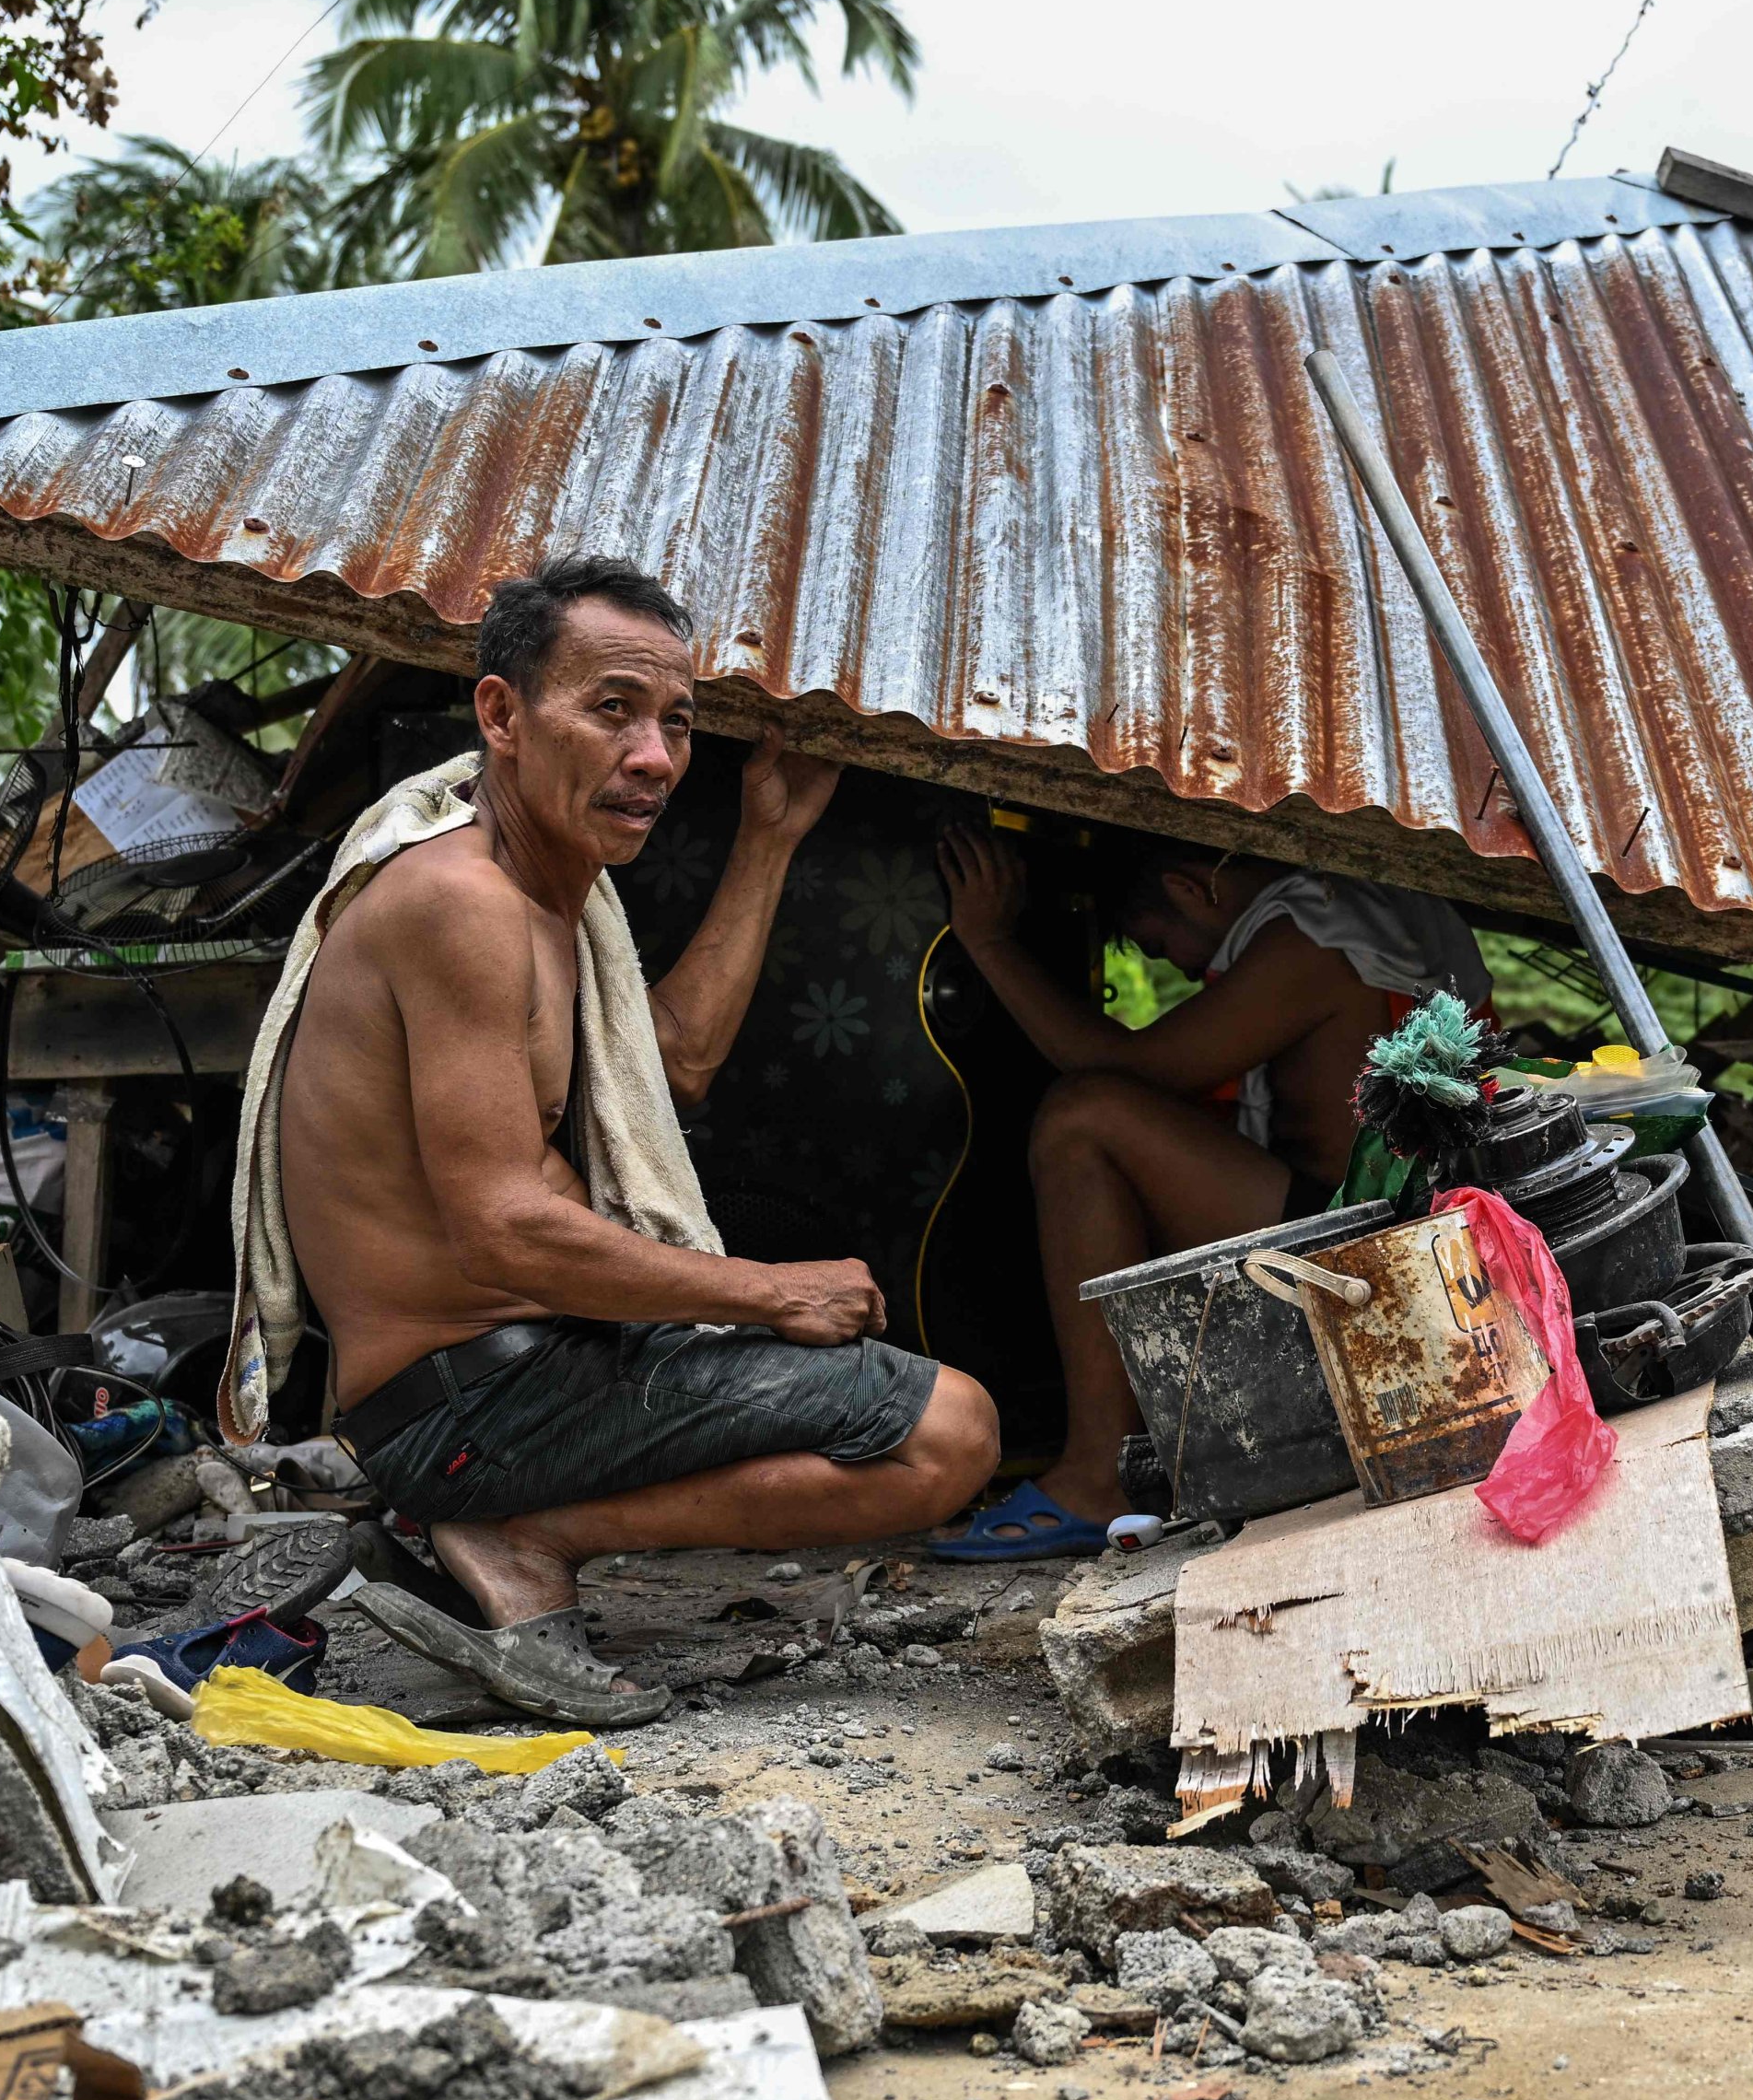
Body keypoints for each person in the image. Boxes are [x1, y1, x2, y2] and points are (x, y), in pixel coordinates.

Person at [246, 556, 999, 1724]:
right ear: (501, 714)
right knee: (951, 1433)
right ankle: (521, 1532)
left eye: (676, 724)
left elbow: (673, 1062)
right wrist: (764, 1293)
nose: (653, 757)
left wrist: (769, 837)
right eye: (612, 710)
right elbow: (500, 1229)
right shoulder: (464, 906)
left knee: (936, 1423)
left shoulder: (553, 895)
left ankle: (511, 1528)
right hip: (464, 1408)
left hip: (515, 1375)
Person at [927, 828, 1489, 1555]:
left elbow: (1123, 1066)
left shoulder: (1308, 939)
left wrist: (990, 942)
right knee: (1118, 1120)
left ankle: (1100, 1477)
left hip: (1359, 1234)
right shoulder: (1365, 907)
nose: (1187, 975)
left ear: (1191, 890)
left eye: (1160, 947)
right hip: (1374, 1214)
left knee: (1082, 1116)